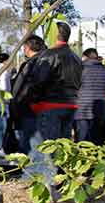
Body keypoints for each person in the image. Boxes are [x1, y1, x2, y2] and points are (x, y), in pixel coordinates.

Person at [16, 22, 82, 180]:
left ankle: (45, 181)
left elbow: (38, 81)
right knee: (62, 145)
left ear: (53, 34)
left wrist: (32, 101)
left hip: (50, 105)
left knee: (46, 146)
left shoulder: (49, 55)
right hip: (71, 104)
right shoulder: (76, 58)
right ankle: (61, 178)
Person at [8, 35, 46, 154]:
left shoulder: (35, 64)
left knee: (32, 149)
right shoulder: (40, 62)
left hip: (30, 111)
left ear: (28, 47)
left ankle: (32, 172)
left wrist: (17, 105)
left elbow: (23, 88)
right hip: (31, 110)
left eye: (24, 46)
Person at [74, 48, 105, 145]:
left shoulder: (80, 69)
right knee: (97, 142)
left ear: (85, 57)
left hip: (82, 111)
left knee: (82, 142)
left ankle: (83, 160)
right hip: (101, 111)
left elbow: (74, 87)